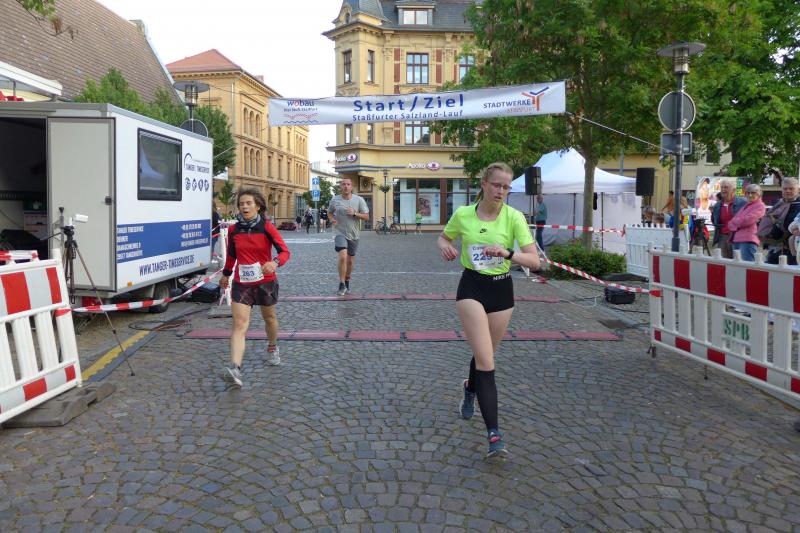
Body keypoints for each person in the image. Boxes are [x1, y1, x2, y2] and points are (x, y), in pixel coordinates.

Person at [438, 162, 540, 459]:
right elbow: (444, 237)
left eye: (506, 187)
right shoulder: (463, 214)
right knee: (486, 362)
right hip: (472, 287)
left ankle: (470, 388)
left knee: (485, 355)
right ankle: (494, 435)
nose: (501, 191)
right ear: (483, 184)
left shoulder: (514, 217)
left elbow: (535, 262)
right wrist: (444, 246)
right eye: (496, 184)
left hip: (501, 290)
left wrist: (507, 253)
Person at [219, 188, 291, 387]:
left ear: (258, 206)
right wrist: (226, 275)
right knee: (239, 324)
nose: (244, 207)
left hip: (265, 281)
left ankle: (272, 347)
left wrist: (275, 262)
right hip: (242, 283)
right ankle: (235, 368)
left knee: (269, 318)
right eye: (241, 204)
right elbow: (232, 255)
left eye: (248, 203)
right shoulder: (234, 230)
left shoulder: (267, 227)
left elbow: (285, 252)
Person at [328, 177, 369, 296]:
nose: (346, 186)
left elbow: (366, 216)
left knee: (350, 261)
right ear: (341, 186)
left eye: (348, 184)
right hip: (339, 232)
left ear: (351, 187)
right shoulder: (335, 199)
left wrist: (355, 213)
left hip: (354, 234)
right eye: (344, 184)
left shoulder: (359, 200)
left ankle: (347, 280)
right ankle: (341, 284)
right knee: (342, 256)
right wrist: (332, 219)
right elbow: (329, 212)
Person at [758, 176, 800, 264]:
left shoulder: (798, 205)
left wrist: (777, 222)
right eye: (785, 189)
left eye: (791, 188)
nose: (788, 191)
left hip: (792, 250)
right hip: (775, 248)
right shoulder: (779, 203)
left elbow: (790, 225)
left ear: (798, 190)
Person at [725, 184, 766, 262]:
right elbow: (730, 223)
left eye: (753, 193)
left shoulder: (760, 206)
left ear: (759, 194)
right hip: (736, 239)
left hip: (748, 240)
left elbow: (747, 221)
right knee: (738, 266)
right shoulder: (746, 206)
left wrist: (736, 223)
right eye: (748, 192)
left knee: (747, 265)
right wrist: (737, 222)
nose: (750, 195)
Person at [711, 180, 747, 259]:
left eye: (726, 187)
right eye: (722, 187)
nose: (723, 189)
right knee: (723, 262)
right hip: (723, 237)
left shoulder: (743, 203)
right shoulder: (717, 205)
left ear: (733, 190)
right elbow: (715, 221)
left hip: (738, 237)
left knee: (738, 261)